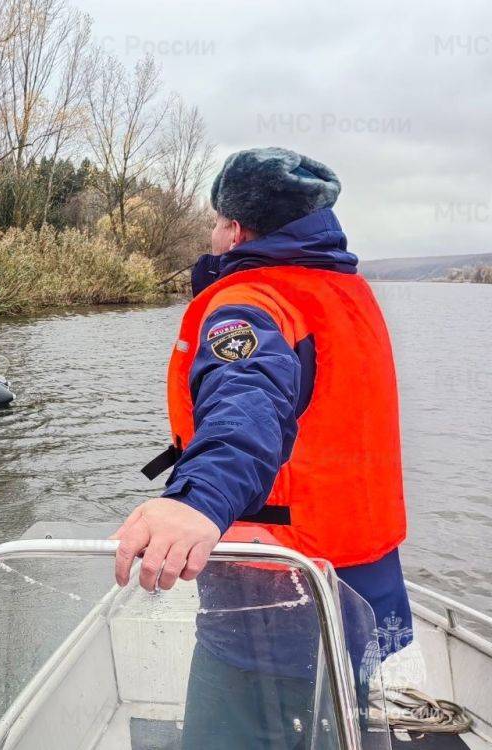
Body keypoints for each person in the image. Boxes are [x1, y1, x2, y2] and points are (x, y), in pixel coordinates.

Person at [112, 147, 411, 747]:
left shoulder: (251, 303)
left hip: (274, 594)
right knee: (335, 724)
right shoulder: (343, 294)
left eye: (217, 219)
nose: (211, 231)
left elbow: (247, 406)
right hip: (363, 582)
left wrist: (195, 500)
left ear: (238, 229)